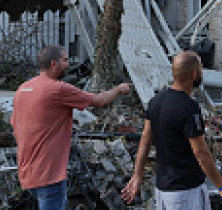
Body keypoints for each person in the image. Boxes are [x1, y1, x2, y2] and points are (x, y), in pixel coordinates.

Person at [11, 45, 132, 210]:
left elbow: (15, 126)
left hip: (27, 173)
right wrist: (119, 89)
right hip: (49, 174)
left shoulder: (22, 90)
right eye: (65, 60)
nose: (69, 64)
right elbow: (98, 101)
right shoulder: (58, 89)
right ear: (54, 64)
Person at [122, 52, 222, 208]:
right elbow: (200, 152)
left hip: (163, 190)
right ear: (194, 74)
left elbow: (145, 140)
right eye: (200, 70)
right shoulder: (189, 107)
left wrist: (137, 175)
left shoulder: (155, 101)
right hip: (186, 192)